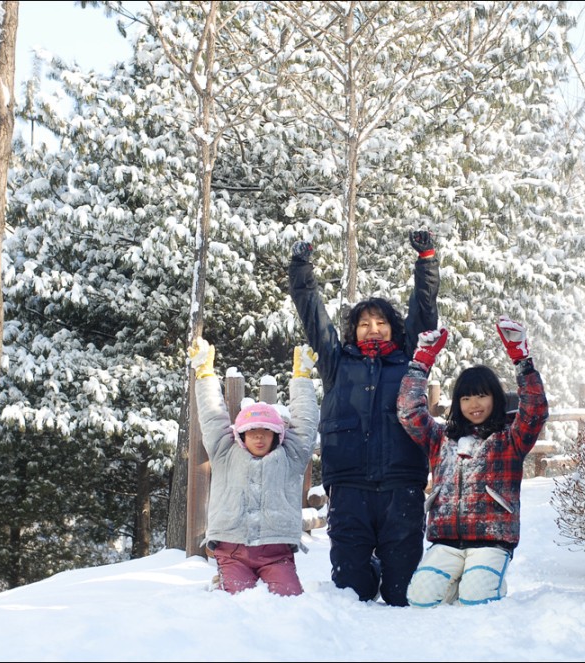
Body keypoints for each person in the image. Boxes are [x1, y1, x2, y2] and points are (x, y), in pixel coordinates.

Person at [287, 230, 440, 607]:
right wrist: (301, 267)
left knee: (401, 593)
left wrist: (427, 261)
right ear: (353, 331)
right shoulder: (338, 362)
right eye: (364, 324)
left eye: (381, 322)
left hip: (400, 482)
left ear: (393, 327)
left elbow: (424, 309)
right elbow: (312, 313)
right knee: (352, 590)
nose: (373, 329)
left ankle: (389, 566)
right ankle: (365, 564)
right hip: (350, 483)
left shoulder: (408, 359)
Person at [397, 316, 549, 607]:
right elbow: (409, 412)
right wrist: (421, 362)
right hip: (446, 540)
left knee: (476, 599)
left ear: (496, 398)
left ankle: (487, 585)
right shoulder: (441, 438)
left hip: (491, 539)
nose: (474, 404)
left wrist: (522, 359)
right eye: (466, 398)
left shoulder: (510, 438)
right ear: (458, 403)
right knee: (420, 599)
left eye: (481, 396)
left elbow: (535, 411)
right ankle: (458, 583)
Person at [187, 340, 320, 596]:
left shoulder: (290, 457)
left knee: (289, 600)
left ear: (276, 435)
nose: (259, 438)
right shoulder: (225, 452)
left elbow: (305, 422)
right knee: (236, 600)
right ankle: (223, 578)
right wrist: (205, 374)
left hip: (276, 552)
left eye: (265, 433)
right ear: (241, 436)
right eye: (252, 433)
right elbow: (213, 416)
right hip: (232, 549)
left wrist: (302, 377)